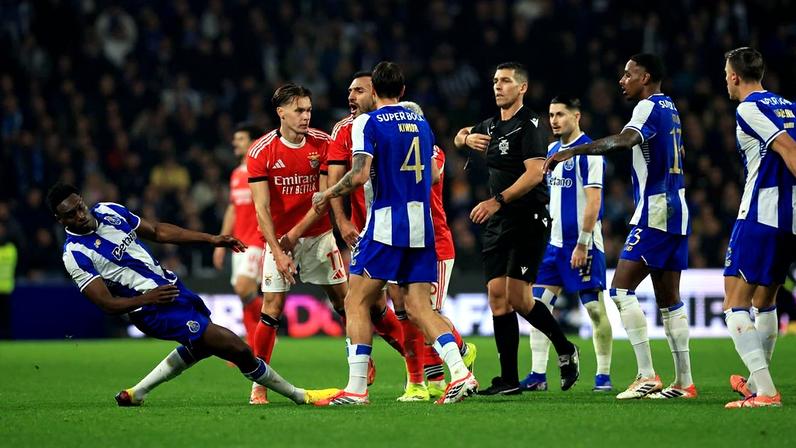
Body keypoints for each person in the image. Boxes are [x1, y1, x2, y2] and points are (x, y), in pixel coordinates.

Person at [47, 182, 336, 406]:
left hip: (173, 290)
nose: (80, 215)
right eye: (70, 214)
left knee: (200, 346)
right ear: (61, 220)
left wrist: (211, 239)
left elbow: (158, 231)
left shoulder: (108, 211)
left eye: (79, 207)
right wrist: (147, 299)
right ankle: (300, 395)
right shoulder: (75, 254)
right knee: (235, 347)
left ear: (83, 200)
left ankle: (136, 393)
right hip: (150, 309)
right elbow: (106, 303)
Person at [313, 61, 478, 405]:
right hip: (421, 226)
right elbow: (434, 175)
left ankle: (357, 389)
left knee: (355, 301)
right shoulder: (420, 122)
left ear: (374, 90)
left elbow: (359, 175)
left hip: (386, 223)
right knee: (419, 308)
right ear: (402, 91)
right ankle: (461, 373)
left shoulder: (367, 122)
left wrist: (327, 194)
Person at [545, 54, 695, 400]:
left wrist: (575, 151)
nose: (622, 80)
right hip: (677, 206)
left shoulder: (646, 107)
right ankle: (684, 382)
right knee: (669, 300)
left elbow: (625, 141)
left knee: (621, 290)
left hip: (656, 208)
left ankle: (646, 375)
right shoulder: (670, 107)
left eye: (629, 74)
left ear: (646, 78)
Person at [454, 62, 580, 396]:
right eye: (496, 81)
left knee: (520, 299)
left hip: (527, 217)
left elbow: (536, 173)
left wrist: (497, 200)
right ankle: (508, 379)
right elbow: (458, 135)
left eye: (506, 81)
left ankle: (565, 347)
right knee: (497, 297)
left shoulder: (531, 124)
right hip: (499, 221)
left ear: (522, 87)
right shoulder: (492, 125)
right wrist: (466, 138)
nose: (498, 86)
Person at [246, 83, 349, 405]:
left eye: (308, 110)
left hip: (318, 235)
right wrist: (279, 250)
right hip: (278, 240)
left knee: (345, 302)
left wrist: (293, 237)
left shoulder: (323, 143)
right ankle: (259, 384)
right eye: (299, 110)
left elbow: (323, 199)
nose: (306, 116)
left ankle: (360, 363)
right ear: (281, 112)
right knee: (271, 307)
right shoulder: (261, 152)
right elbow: (261, 209)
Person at [520, 95, 613, 393]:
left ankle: (603, 376)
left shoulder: (590, 152)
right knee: (537, 307)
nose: (554, 120)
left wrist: (583, 243)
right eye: (551, 115)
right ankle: (538, 374)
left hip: (583, 245)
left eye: (560, 114)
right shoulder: (551, 152)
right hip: (554, 246)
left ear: (577, 116)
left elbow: (594, 202)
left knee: (594, 310)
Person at [721, 47, 796, 408]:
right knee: (765, 301)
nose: (726, 81)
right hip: (790, 218)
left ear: (735, 76)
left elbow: (789, 150)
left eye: (726, 74)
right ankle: (755, 381)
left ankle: (765, 391)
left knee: (734, 302)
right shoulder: (789, 106)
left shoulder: (749, 108)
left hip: (761, 214)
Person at [391, 101, 477, 402]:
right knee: (414, 313)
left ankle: (456, 359)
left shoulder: (432, 151)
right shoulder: (397, 152)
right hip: (407, 241)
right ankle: (439, 376)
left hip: (436, 244)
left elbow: (434, 176)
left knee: (427, 313)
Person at [325, 71, 408, 384]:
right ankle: (428, 363)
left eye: (359, 90)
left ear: (376, 93)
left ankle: (438, 359)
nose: (351, 96)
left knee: (404, 303)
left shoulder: (400, 122)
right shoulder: (344, 129)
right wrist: (342, 221)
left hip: (396, 225)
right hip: (366, 230)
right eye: (350, 91)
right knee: (369, 303)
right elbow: (334, 178)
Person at [212, 123, 265, 349]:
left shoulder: (261, 171)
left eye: (241, 138)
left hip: (258, 241)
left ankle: (271, 320)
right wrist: (220, 243)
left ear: (253, 142)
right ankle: (252, 346)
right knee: (245, 296)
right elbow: (233, 209)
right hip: (239, 243)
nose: (235, 142)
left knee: (243, 287)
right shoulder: (236, 174)